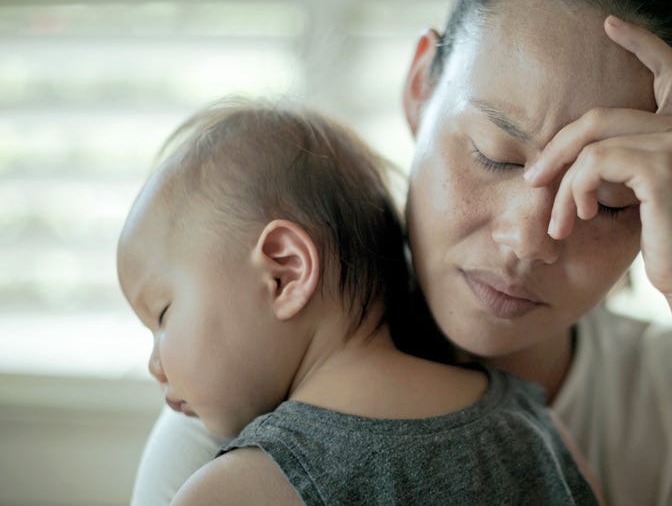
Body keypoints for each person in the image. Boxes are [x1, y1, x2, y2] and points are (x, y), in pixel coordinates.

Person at [130, 0, 672, 505]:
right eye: (494, 154)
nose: (526, 240)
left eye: (607, 200)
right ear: (420, 87)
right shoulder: (238, 393)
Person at [117, 99, 602, 505]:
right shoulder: (537, 428)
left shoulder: (232, 492)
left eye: (162, 315)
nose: (155, 365)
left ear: (285, 274)